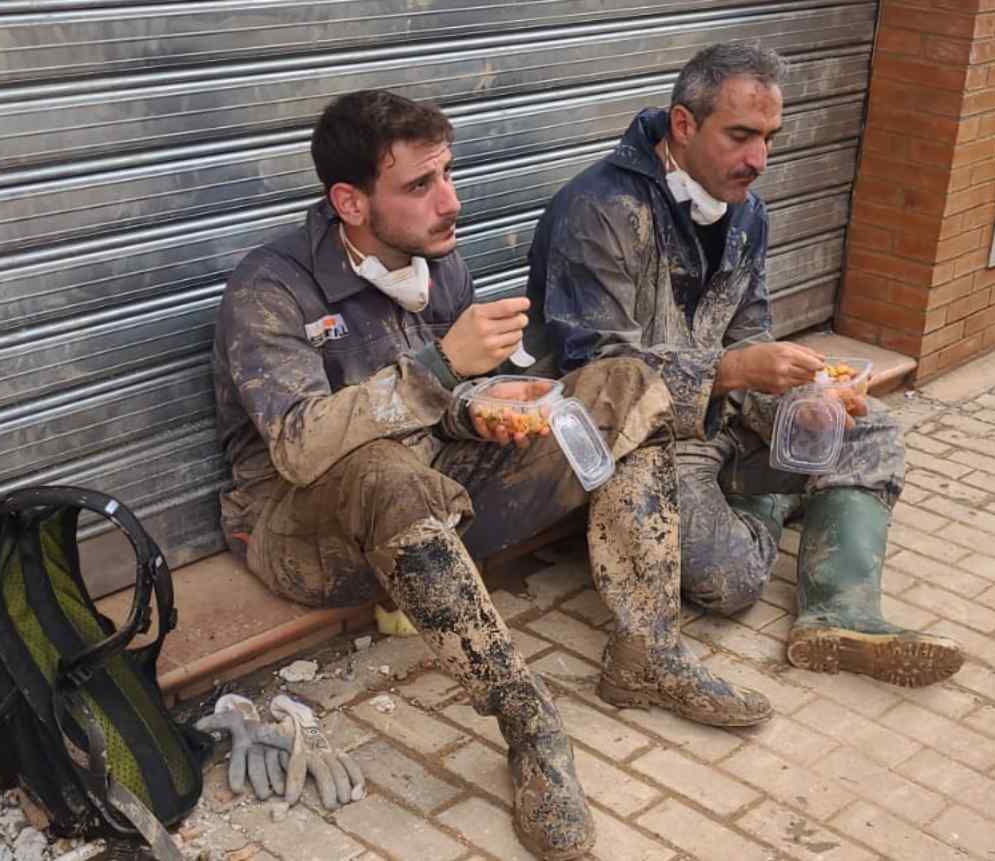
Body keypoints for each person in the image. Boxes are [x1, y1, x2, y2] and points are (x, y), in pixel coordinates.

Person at [212, 89, 773, 860]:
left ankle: (647, 649)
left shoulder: (436, 263)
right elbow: (302, 448)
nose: (452, 201)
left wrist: (482, 404)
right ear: (349, 201)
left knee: (622, 387)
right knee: (384, 473)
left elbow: (442, 403)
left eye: (448, 174)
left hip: (434, 490)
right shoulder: (270, 290)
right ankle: (528, 723)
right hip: (305, 526)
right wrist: (442, 367)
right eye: (421, 185)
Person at [524, 44, 964, 688]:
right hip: (642, 445)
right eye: (740, 136)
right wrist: (729, 372)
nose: (759, 159)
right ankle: (777, 499)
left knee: (870, 431)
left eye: (769, 138)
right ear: (682, 125)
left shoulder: (746, 212)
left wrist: (808, 389)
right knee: (727, 584)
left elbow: (749, 326)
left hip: (723, 418)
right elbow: (595, 369)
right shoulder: (599, 211)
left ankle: (841, 612)